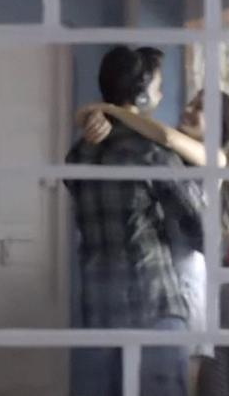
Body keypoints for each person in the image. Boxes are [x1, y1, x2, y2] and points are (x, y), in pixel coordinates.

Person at [64, 45, 206, 396]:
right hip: (152, 303)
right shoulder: (151, 153)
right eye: (158, 86)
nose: (161, 94)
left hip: (100, 308)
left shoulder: (78, 154)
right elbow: (202, 231)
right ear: (141, 96)